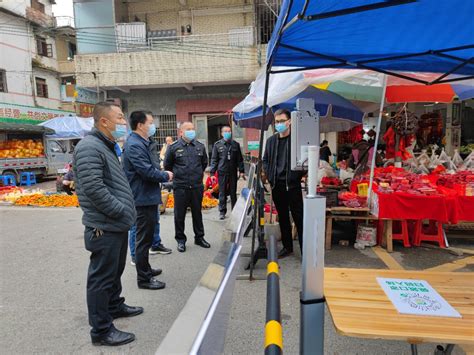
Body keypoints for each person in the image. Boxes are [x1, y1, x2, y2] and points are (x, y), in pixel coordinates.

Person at [74, 102, 139, 346]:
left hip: (115, 224)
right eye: (120, 118)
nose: (124, 123)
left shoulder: (107, 146)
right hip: (104, 226)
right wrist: (120, 210)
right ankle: (101, 330)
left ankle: (115, 306)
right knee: (101, 278)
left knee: (114, 272)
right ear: (104, 121)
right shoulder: (90, 147)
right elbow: (94, 188)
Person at [122, 111, 173, 290]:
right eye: (150, 122)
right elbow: (146, 171)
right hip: (141, 198)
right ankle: (143, 278)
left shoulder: (143, 142)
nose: (153, 126)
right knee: (143, 239)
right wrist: (165, 175)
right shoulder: (134, 144)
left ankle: (147, 269)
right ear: (141, 125)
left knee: (148, 236)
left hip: (147, 196)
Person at [262, 108, 305, 258]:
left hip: (292, 186)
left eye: (282, 121)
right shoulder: (271, 141)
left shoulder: (297, 140)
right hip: (277, 185)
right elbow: (265, 160)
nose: (279, 124)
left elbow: (305, 161)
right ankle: (288, 247)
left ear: (289, 121)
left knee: (299, 218)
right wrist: (270, 176)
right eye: (277, 121)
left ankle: (304, 249)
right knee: (283, 218)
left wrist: (296, 176)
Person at [164, 121, 210, 253]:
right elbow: (168, 166)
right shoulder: (173, 147)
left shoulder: (200, 146)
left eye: (193, 129)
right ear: (181, 132)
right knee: (179, 215)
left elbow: (204, 163)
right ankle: (180, 240)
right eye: (188, 129)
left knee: (197, 213)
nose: (191, 131)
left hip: (196, 186)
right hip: (180, 186)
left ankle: (199, 237)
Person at [210, 125, 245, 220]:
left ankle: (234, 211)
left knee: (233, 192)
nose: (227, 133)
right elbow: (214, 160)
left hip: (233, 172)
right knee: (222, 192)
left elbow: (240, 159)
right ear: (222, 133)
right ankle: (222, 211)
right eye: (225, 131)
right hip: (222, 172)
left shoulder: (235, 144)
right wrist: (212, 173)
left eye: (229, 131)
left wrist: (241, 171)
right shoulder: (217, 145)